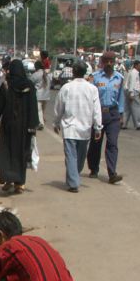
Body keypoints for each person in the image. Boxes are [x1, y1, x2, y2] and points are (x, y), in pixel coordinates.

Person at [0, 58, 40, 193]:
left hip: (8, 126)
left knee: (7, 152)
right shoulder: (29, 86)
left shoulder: (6, 85)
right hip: (24, 127)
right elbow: (33, 107)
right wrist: (33, 125)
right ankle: (19, 183)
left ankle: (8, 180)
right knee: (21, 153)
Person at [52, 59, 103, 193]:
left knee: (76, 158)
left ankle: (73, 176)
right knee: (75, 157)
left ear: (73, 72)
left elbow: (58, 108)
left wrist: (56, 122)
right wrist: (98, 127)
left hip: (73, 128)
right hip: (82, 128)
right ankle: (74, 182)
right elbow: (97, 110)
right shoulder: (91, 89)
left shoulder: (67, 88)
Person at [87, 51, 125, 184]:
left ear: (115, 62)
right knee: (96, 142)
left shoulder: (119, 78)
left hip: (113, 114)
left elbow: (121, 97)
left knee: (112, 143)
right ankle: (93, 168)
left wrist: (121, 114)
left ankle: (112, 173)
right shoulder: (95, 77)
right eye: (107, 61)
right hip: (98, 114)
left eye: (111, 61)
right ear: (102, 62)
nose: (109, 64)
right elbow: (91, 97)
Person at [123, 59, 140, 129]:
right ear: (135, 66)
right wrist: (131, 93)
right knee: (136, 108)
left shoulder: (131, 72)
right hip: (133, 91)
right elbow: (132, 83)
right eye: (139, 66)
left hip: (128, 90)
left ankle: (123, 123)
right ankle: (138, 124)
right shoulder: (134, 73)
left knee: (127, 108)